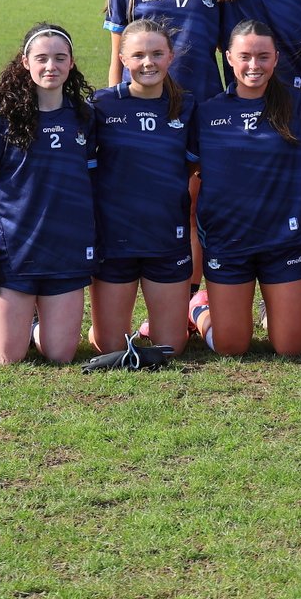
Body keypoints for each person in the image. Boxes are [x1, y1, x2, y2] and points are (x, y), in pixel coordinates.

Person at [0, 23, 97, 365]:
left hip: (65, 250)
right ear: (26, 62)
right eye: (41, 58)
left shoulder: (85, 117)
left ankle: (31, 321)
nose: (50, 66)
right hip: (14, 251)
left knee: (60, 355)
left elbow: (94, 181)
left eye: (59, 58)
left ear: (71, 63)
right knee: (9, 356)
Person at [189, 20, 301, 358]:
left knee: (291, 347)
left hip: (281, 241)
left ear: (276, 58)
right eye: (244, 57)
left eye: (263, 57)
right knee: (232, 347)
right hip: (228, 242)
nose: (253, 66)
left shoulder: (299, 106)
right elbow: (191, 168)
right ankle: (199, 309)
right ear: (228, 57)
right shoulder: (207, 112)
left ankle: (269, 309)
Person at [88, 18, 195, 358]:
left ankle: (198, 309)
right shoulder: (101, 106)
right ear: (122, 59)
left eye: (156, 53)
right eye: (138, 55)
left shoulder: (188, 107)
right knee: (111, 347)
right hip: (114, 240)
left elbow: (196, 168)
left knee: (170, 348)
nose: (148, 62)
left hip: (165, 238)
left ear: (170, 57)